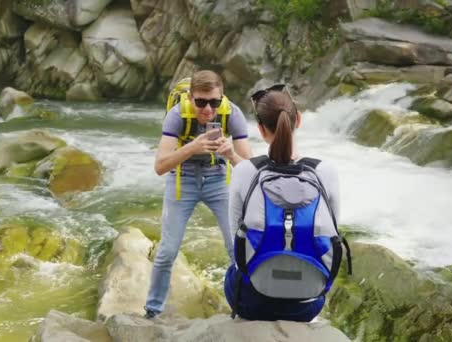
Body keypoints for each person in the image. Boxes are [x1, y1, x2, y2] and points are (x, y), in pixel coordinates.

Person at [223, 84, 346, 322]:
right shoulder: (326, 172)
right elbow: (333, 232)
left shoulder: (244, 171)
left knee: (232, 272)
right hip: (308, 304)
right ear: (298, 119)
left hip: (252, 302)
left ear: (260, 129)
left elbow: (236, 245)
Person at [144, 70, 253, 318]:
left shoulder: (232, 114)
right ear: (191, 98)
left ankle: (244, 307)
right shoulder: (176, 115)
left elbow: (250, 170)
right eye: (201, 102)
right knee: (167, 251)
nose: (207, 109)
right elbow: (160, 167)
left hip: (218, 179)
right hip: (182, 179)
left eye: (214, 102)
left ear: (221, 98)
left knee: (236, 248)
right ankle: (152, 310)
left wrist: (231, 154)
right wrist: (192, 147)